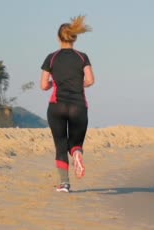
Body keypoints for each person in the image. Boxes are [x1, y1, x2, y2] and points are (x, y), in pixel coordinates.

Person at [41, 15, 95, 193]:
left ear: (58, 38)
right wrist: (79, 84)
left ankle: (64, 183)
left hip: (57, 105)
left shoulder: (51, 57)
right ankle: (77, 154)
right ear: (75, 37)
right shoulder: (82, 57)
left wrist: (52, 84)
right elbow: (90, 80)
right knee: (75, 142)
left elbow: (43, 85)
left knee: (60, 144)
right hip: (79, 106)